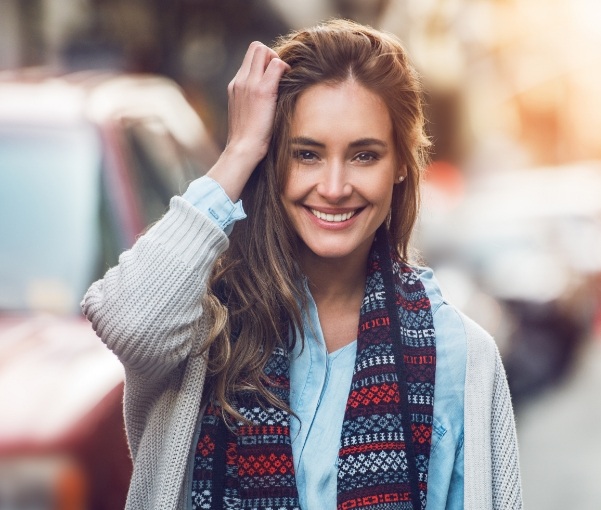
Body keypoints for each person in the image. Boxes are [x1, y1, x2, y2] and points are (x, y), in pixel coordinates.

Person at [82, 19, 522, 510]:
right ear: (274, 159)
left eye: (364, 155)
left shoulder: (460, 356)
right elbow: (126, 322)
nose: (334, 187)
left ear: (400, 164)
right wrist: (240, 150)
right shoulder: (199, 328)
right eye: (307, 154)